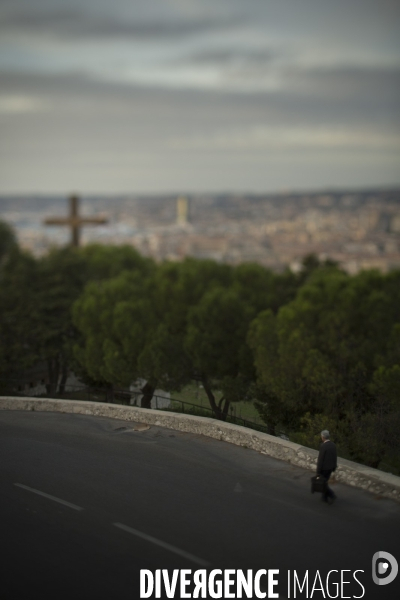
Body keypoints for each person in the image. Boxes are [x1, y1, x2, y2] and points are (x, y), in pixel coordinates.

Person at [317, 430, 337, 504]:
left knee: (323, 483)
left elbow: (321, 459)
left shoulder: (323, 446)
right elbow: (335, 457)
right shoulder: (333, 445)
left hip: (324, 468)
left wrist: (318, 471)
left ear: (323, 437)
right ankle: (324, 498)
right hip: (330, 468)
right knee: (325, 482)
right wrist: (334, 467)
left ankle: (331, 495)